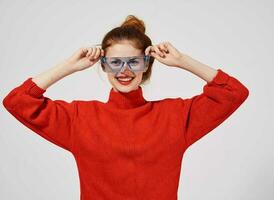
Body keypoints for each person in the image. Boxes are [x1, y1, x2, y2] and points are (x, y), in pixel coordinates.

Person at [2, 15, 249, 200]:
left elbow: (234, 93)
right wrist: (68, 65)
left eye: (134, 61)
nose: (124, 70)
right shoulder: (80, 118)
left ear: (147, 64)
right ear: (103, 66)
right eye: (115, 62)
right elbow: (16, 101)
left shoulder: (174, 116)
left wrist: (183, 61)